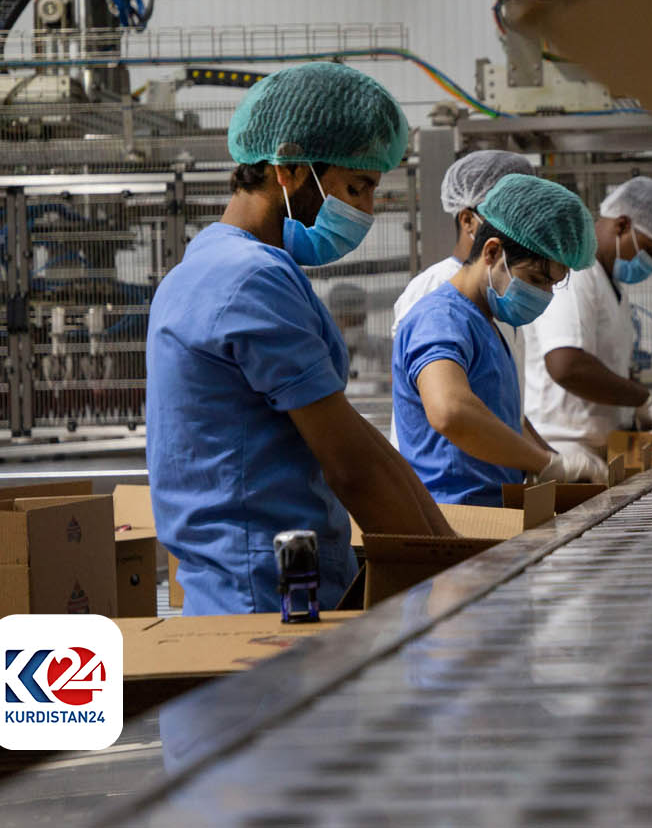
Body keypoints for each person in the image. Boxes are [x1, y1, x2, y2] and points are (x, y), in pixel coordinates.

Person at [146, 62, 454, 617]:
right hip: (264, 603)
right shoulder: (248, 279)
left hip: (270, 588)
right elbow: (350, 466)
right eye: (355, 187)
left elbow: (360, 442)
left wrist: (453, 554)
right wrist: (455, 586)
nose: (365, 209)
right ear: (287, 168)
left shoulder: (223, 266)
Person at [394, 174, 608, 506]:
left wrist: (557, 464)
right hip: (454, 516)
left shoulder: (486, 323)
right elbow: (451, 412)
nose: (544, 294)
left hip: (494, 508)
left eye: (552, 284)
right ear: (492, 252)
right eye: (536, 279)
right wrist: (547, 463)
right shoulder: (441, 318)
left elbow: (501, 417)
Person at [520, 176, 652, 471]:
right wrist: (641, 399)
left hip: (597, 448)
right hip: (564, 450)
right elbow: (566, 365)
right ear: (622, 225)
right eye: (651, 251)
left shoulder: (610, 285)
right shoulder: (576, 275)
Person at [388, 149, 531, 447]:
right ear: (468, 220)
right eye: (509, 217)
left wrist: (548, 460)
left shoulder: (501, 289)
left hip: (488, 476)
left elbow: (502, 408)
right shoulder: (436, 290)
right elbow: (447, 407)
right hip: (444, 482)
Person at [327, 283, 392, 393]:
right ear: (334, 319)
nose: (356, 325)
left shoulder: (383, 348)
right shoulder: (323, 353)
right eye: (348, 320)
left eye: (359, 319)